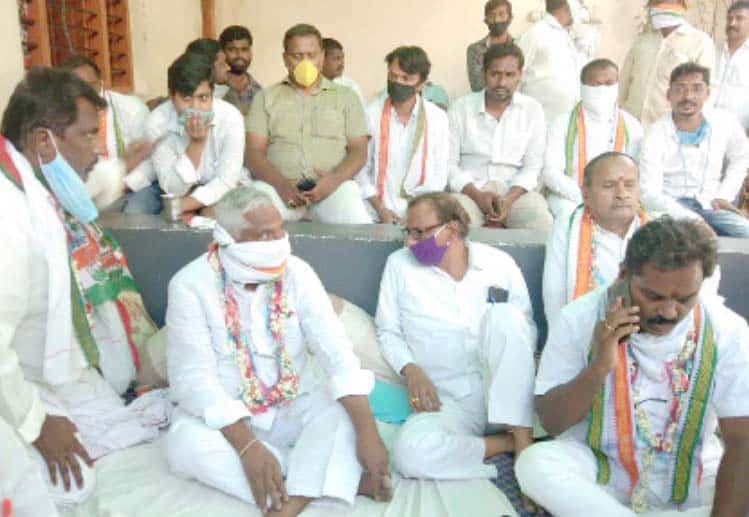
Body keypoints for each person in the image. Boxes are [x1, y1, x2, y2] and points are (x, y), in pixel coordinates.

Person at [164, 187, 391, 516]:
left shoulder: (298, 272)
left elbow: (336, 350)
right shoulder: (190, 284)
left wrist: (368, 432)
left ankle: (288, 496)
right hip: (233, 419)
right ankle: (323, 481)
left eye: (279, 229)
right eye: (263, 235)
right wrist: (247, 448)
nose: (278, 241)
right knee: (183, 444)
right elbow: (192, 378)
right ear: (227, 238)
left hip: (296, 405)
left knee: (345, 412)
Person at [0, 67, 164, 509]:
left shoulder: (35, 180)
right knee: (71, 485)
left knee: (125, 435)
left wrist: (129, 163)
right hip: (11, 377)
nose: (98, 149)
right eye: (89, 135)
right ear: (43, 141)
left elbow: (93, 186)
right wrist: (36, 424)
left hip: (40, 366)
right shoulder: (7, 217)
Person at [517, 217, 749, 516]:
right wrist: (600, 365)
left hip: (695, 472)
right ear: (624, 273)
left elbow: (742, 438)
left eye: (685, 299)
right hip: (603, 471)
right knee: (535, 463)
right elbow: (552, 422)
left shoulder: (728, 330)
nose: (669, 311)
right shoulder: (578, 317)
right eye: (653, 296)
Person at [375, 193, 538, 513]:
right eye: (407, 232)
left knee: (506, 317)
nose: (409, 242)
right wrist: (411, 369)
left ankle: (523, 449)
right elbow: (387, 331)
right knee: (409, 454)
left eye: (418, 232)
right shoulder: (399, 266)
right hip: (448, 399)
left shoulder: (499, 263)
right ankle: (506, 443)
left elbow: (526, 329)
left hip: (504, 392)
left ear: (450, 230)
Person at [246, 24, 372, 224]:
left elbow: (359, 150)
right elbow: (253, 152)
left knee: (358, 226)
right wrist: (281, 186)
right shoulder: (265, 97)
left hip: (333, 190)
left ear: (322, 56)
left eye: (311, 55)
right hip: (279, 191)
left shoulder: (347, 97)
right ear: (285, 58)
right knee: (252, 221)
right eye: (297, 56)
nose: (305, 62)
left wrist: (333, 180)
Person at [448, 43, 552, 230]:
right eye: (495, 74)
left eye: (509, 75)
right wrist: (477, 196)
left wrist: (508, 200)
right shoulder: (460, 108)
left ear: (520, 75)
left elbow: (533, 166)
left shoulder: (532, 110)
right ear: (484, 73)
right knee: (452, 224)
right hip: (470, 192)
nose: (502, 82)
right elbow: (448, 164)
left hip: (516, 193)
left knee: (541, 223)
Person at [639, 62, 749, 237]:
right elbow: (649, 192)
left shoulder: (724, 122)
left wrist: (724, 195)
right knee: (686, 245)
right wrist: (693, 219)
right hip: (671, 210)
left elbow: (742, 157)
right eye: (680, 89)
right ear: (668, 94)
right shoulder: (655, 134)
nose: (688, 96)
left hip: (712, 205)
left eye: (697, 88)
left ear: (707, 93)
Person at [543, 153, 645, 324]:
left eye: (629, 185)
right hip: (584, 335)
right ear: (585, 194)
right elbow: (555, 302)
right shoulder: (566, 230)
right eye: (609, 186)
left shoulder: (658, 232)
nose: (622, 194)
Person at [357, 47, 448, 224]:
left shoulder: (437, 118)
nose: (397, 82)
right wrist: (381, 209)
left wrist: (417, 215)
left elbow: (439, 174)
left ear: (421, 84)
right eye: (393, 76)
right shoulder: (370, 114)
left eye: (406, 78)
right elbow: (361, 171)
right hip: (375, 211)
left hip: (423, 214)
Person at [147, 52, 246, 215]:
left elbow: (227, 180)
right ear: (172, 97)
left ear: (212, 94)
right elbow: (172, 188)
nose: (195, 108)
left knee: (216, 215)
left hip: (222, 190)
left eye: (203, 98)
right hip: (176, 192)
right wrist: (196, 144)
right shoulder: (157, 122)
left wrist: (183, 206)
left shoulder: (230, 117)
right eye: (186, 98)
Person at [543, 59, 643, 218]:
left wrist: (612, 198)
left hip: (619, 198)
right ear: (582, 88)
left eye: (608, 84)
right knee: (569, 217)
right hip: (570, 197)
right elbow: (550, 172)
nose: (602, 90)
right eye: (595, 85)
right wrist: (587, 197)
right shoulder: (561, 123)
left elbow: (638, 172)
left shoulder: (631, 125)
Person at [59, 55, 157, 214]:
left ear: (101, 82)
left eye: (90, 86)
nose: (84, 93)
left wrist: (123, 184)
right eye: (76, 88)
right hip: (89, 187)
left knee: (134, 212)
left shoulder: (131, 108)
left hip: (132, 186)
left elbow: (151, 161)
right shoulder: (60, 117)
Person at [619, 0, 714, 125]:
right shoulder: (642, 40)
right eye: (657, 2)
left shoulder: (700, 42)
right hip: (630, 124)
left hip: (668, 127)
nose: (661, 5)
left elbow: (703, 93)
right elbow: (623, 83)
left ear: (681, 3)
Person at [516, 0, 582, 124]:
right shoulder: (535, 33)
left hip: (565, 119)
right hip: (540, 119)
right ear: (567, 7)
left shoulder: (564, 34)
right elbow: (515, 71)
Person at [713, 1, 749, 135]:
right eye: (729, 19)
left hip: (737, 133)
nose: (732, 23)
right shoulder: (713, 49)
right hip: (704, 127)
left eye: (739, 18)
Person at [466, 0, 514, 93]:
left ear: (510, 18)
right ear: (486, 21)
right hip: (485, 100)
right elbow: (477, 86)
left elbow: (522, 81)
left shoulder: (520, 45)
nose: (496, 20)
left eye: (501, 14)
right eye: (492, 16)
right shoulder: (475, 50)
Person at [218, 26, 262, 117]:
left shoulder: (260, 94)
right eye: (232, 50)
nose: (239, 55)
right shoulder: (213, 91)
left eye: (244, 49)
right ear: (222, 52)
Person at [322, 37, 366, 107]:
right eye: (336, 59)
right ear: (321, 60)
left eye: (342, 58)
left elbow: (361, 113)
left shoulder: (351, 87)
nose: (341, 63)